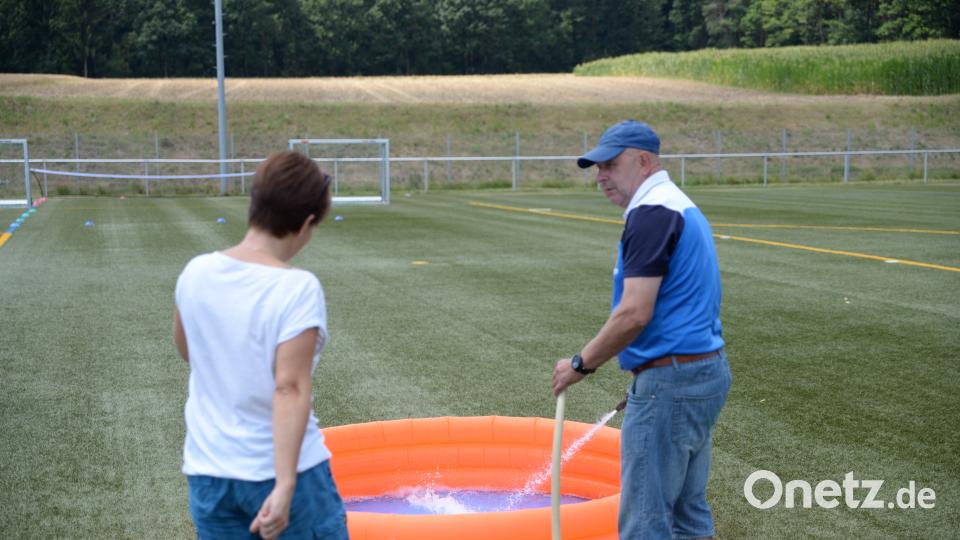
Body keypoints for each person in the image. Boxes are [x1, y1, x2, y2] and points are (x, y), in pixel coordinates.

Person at [552, 120, 732, 539]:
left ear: (644, 161)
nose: (601, 177)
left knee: (644, 522)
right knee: (688, 514)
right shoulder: (675, 204)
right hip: (701, 372)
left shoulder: (653, 213)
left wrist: (580, 364)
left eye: (611, 165)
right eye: (597, 168)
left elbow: (634, 313)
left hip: (672, 379)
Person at [173, 150, 349, 540]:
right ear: (305, 223)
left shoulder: (196, 272)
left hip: (209, 473)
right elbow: (290, 387)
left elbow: (189, 351)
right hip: (285, 474)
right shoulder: (297, 287)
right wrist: (285, 486)